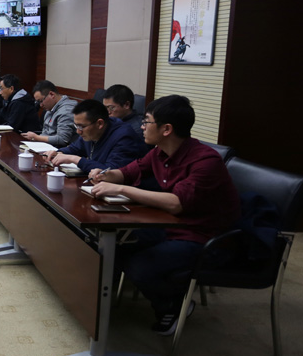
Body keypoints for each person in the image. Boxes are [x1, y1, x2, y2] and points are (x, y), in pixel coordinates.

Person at [89, 95, 241, 335]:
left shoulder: (206, 161)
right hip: (170, 225)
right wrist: (105, 175)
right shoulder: (159, 152)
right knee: (112, 245)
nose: (141, 126)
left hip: (205, 237)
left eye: (146, 121)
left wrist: (120, 189)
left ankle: (173, 305)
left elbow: (176, 203)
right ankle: (96, 306)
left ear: (166, 129)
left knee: (139, 266)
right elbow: (128, 172)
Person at [44, 99, 147, 172]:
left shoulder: (124, 137)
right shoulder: (90, 131)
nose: (78, 131)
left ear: (99, 124)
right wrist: (58, 153)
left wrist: (75, 159)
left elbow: (112, 172)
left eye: (81, 126)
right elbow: (75, 148)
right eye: (76, 125)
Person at [22, 80, 77, 146]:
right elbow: (45, 132)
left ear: (52, 94)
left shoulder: (66, 110)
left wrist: (36, 137)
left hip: (59, 149)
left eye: (41, 101)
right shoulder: (50, 107)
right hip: (46, 146)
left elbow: (63, 139)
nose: (40, 105)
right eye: (38, 102)